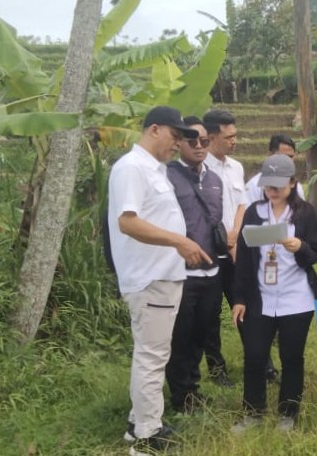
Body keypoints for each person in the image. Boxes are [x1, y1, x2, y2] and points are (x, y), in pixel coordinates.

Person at [107, 105, 211, 456]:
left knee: (153, 353)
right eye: (175, 135)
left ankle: (140, 421)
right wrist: (180, 241)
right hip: (150, 277)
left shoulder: (154, 170)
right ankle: (148, 437)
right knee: (152, 356)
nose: (178, 143)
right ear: (154, 129)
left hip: (163, 276)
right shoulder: (132, 168)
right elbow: (128, 222)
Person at [230, 154, 317, 433]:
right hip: (260, 297)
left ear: (293, 183)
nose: (272, 191)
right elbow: (244, 260)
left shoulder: (305, 214)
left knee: (292, 356)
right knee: (255, 355)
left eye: (279, 186)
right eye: (268, 185)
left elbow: (314, 256)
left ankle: (289, 412)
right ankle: (253, 412)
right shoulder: (254, 213)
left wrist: (300, 247)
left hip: (296, 298)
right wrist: (239, 298)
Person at [164, 116, 225, 414]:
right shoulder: (168, 177)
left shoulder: (214, 179)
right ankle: (180, 395)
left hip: (212, 272)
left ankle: (193, 388)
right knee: (181, 336)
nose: (200, 147)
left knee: (201, 333)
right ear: (180, 144)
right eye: (193, 142)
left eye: (204, 141)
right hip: (181, 273)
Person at [201, 109, 246, 387]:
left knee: (247, 308)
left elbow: (241, 203)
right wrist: (224, 240)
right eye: (228, 137)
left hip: (236, 250)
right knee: (210, 315)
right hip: (210, 253)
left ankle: (261, 363)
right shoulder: (200, 168)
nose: (234, 141)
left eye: (235, 135)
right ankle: (217, 370)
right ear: (212, 137)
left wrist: (235, 234)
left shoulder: (237, 167)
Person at [245, 134, 305, 204]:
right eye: (283, 156)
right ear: (271, 155)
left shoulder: (297, 187)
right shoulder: (254, 186)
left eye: (290, 157)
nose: (287, 161)